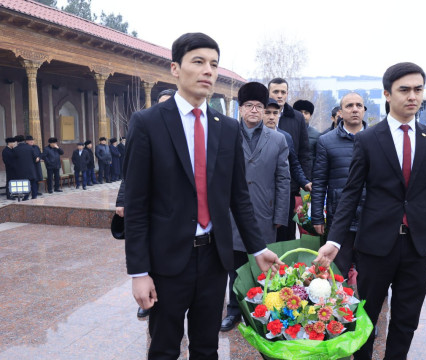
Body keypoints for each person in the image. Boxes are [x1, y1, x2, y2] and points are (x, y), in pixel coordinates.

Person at [123, 32, 281, 359]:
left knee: (207, 348)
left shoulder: (227, 127)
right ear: (175, 69)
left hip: (214, 259)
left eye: (214, 64)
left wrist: (258, 248)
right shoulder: (147, 123)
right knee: (164, 347)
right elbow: (136, 205)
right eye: (198, 62)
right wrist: (139, 273)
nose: (208, 70)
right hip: (167, 260)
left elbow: (238, 198)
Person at [314, 62, 426, 360]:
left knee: (406, 319)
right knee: (366, 316)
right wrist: (335, 240)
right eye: (404, 90)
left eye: (418, 89)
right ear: (387, 94)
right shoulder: (368, 139)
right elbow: (351, 193)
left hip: (417, 246)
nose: (412, 96)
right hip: (376, 245)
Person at [220, 82, 290, 332]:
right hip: (230, 213)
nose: (254, 110)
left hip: (264, 212)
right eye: (248, 105)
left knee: (263, 265)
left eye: (259, 106)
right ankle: (234, 310)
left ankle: (264, 309)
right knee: (235, 266)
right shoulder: (226, 135)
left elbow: (283, 179)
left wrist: (280, 214)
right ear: (240, 109)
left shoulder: (278, 139)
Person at [116, 88, 176, 320]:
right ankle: (147, 298)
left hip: (172, 212)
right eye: (160, 105)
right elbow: (130, 175)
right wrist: (122, 200)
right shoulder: (146, 128)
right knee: (149, 252)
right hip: (148, 210)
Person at [311, 92, 367, 276]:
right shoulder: (326, 141)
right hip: (340, 219)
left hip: (370, 217)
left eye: (359, 105)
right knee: (337, 274)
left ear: (364, 110)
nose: (355, 109)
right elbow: (319, 182)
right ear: (340, 113)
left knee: (372, 276)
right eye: (349, 106)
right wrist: (317, 216)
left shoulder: (376, 139)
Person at [268, 77, 311, 242]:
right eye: (275, 92)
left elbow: (303, 155)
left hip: (289, 186)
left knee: (286, 233)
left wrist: (305, 183)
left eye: (283, 92)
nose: (280, 95)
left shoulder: (297, 118)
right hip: (264, 188)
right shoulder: (258, 119)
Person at [263, 99, 311, 193]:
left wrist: (304, 182)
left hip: (282, 189)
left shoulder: (286, 137)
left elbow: (294, 164)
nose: (271, 117)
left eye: (275, 113)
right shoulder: (253, 136)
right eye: (267, 113)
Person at [293, 99, 320, 175]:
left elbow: (318, 160)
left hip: (308, 175)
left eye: (306, 113)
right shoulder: (289, 131)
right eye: (300, 112)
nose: (303, 115)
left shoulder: (317, 135)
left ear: (310, 115)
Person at [13, 135, 39, 200]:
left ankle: (25, 197)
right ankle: (34, 196)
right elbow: (35, 158)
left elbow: (14, 161)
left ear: (16, 141)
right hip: (31, 169)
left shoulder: (15, 149)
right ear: (24, 140)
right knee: (33, 183)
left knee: (24, 184)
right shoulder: (30, 148)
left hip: (21, 170)